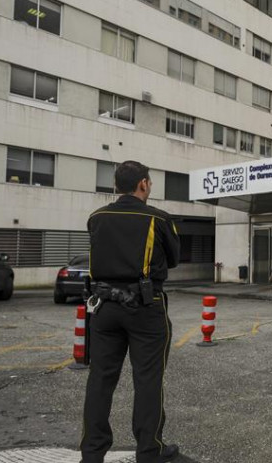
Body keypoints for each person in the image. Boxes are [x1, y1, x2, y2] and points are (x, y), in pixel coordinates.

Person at [80, 161, 180, 463]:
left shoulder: (96, 218)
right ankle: (150, 451)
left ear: (115, 186)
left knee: (100, 379)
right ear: (144, 184)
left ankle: (92, 453)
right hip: (145, 306)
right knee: (148, 379)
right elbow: (173, 259)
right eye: (149, 183)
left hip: (104, 307)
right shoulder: (159, 218)